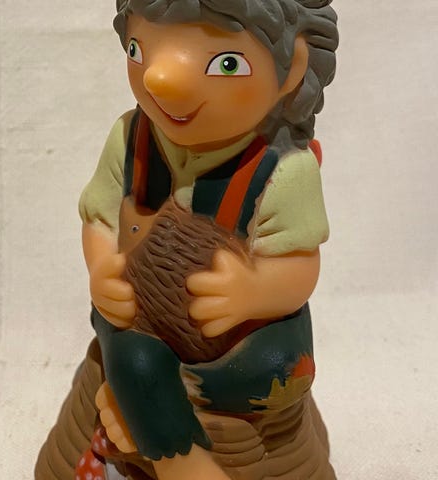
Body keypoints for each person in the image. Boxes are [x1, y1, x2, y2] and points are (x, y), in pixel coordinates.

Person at [37, 1, 339, 479]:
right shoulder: (129, 137)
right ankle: (177, 458)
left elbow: (300, 266)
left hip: (241, 342)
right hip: (145, 318)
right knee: (132, 354)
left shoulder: (285, 170)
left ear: (293, 69)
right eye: (138, 51)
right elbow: (98, 219)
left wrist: (252, 291)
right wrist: (102, 269)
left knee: (273, 369)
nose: (159, 80)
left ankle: (137, 412)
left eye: (226, 64)